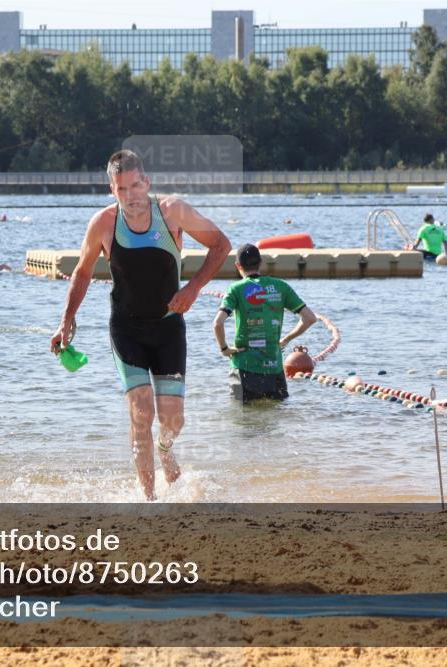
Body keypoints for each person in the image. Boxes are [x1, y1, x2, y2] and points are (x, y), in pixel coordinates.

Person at [49, 149, 231, 500]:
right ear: (111, 189)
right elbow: (82, 273)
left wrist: (192, 289)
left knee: (173, 420)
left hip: (168, 329)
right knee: (141, 411)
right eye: (121, 189)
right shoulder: (103, 223)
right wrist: (65, 322)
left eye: (135, 186)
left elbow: (221, 245)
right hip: (126, 329)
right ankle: (149, 499)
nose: (130, 195)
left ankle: (165, 450)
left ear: (146, 182)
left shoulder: (173, 211)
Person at [214, 244, 317, 403]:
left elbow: (218, 323)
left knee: (242, 416)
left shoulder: (235, 289)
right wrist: (286, 339)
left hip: (244, 368)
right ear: (260, 263)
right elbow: (310, 318)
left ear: (238, 266)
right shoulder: (280, 286)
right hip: (274, 369)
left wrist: (224, 349)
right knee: (275, 414)